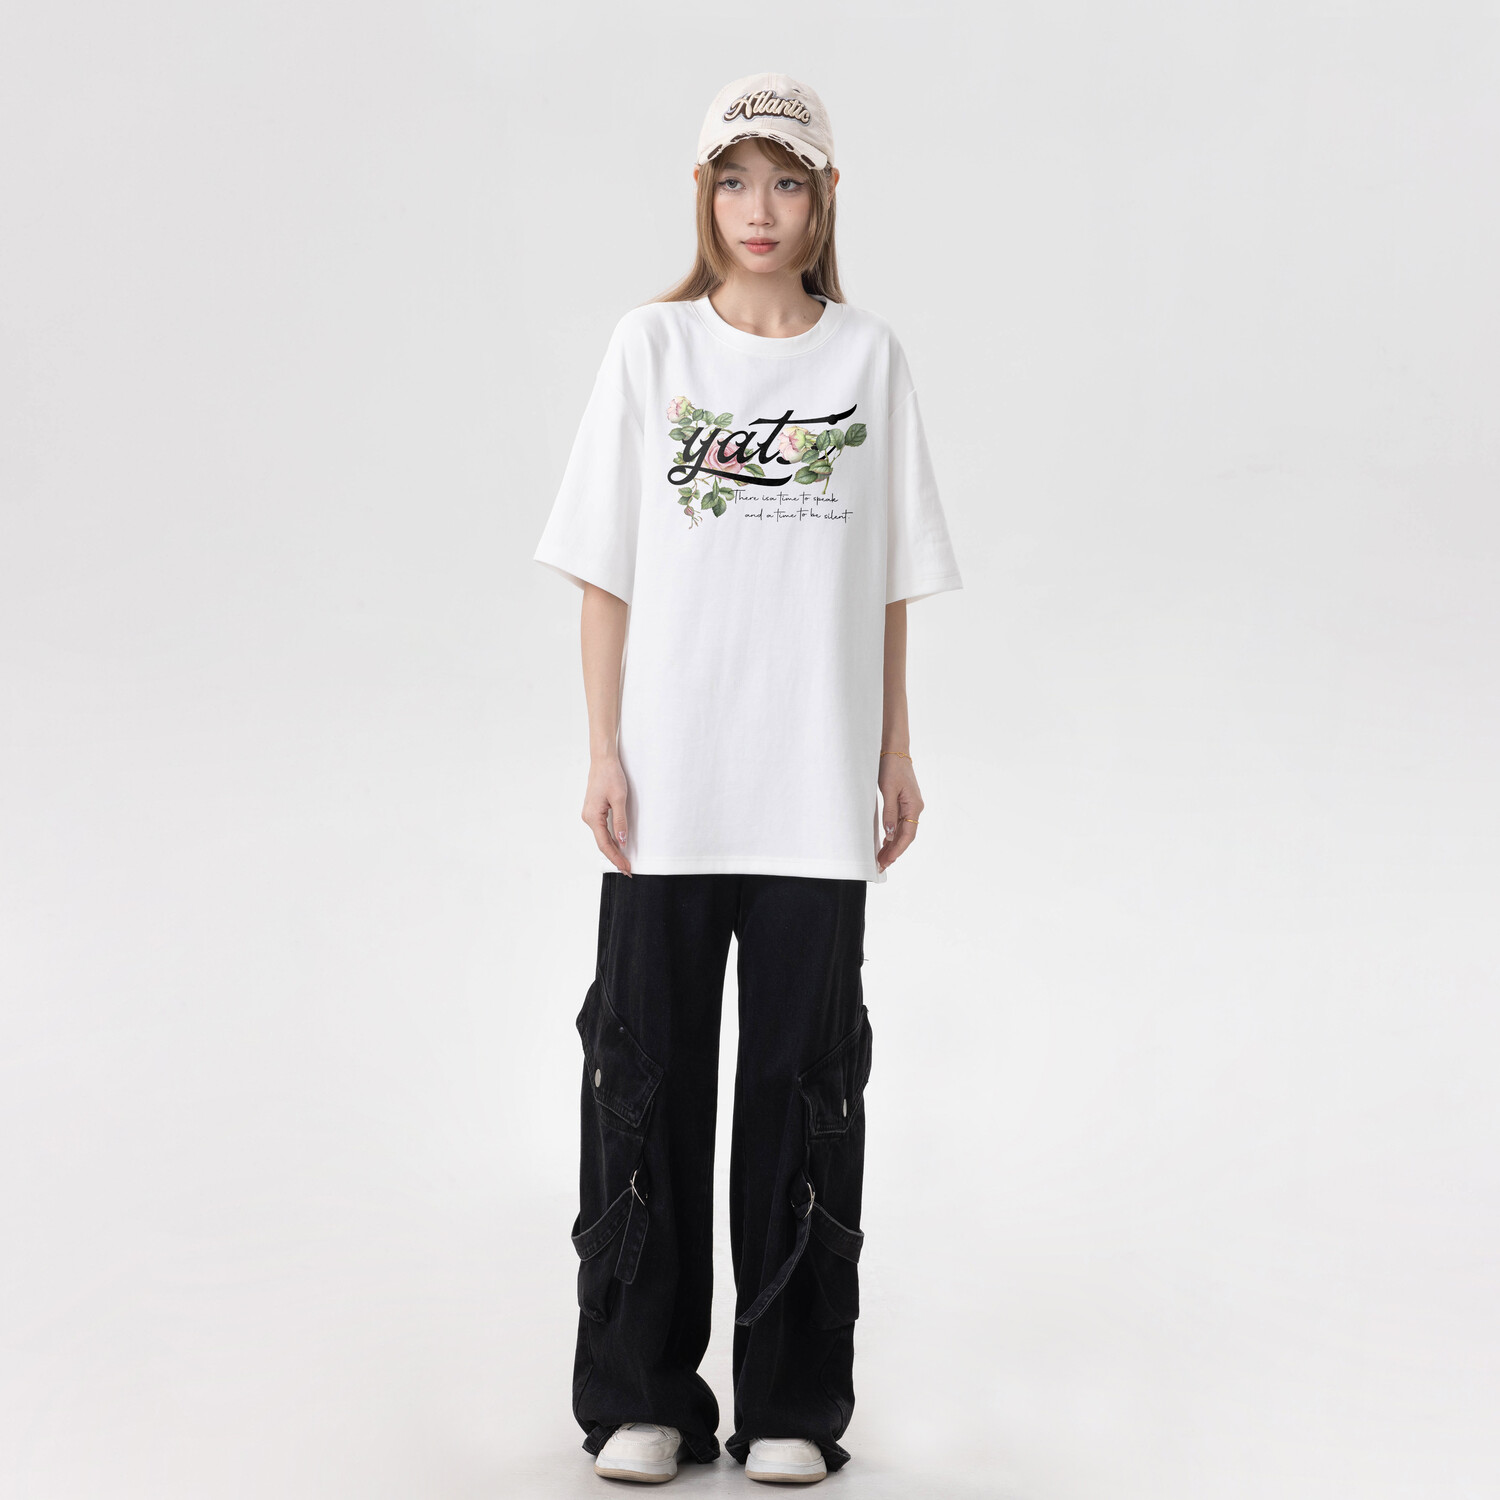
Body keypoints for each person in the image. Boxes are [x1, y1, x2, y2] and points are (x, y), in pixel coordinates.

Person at [531, 72, 962, 1485]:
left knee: (803, 1093)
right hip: (669, 785)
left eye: (785, 182)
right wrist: (604, 748)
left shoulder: (868, 360)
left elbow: (886, 583)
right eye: (734, 181)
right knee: (643, 1086)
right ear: (703, 196)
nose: (757, 210)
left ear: (825, 198)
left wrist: (894, 750)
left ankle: (791, 1406)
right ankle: (641, 1396)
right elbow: (604, 572)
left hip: (813, 790)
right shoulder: (650, 350)